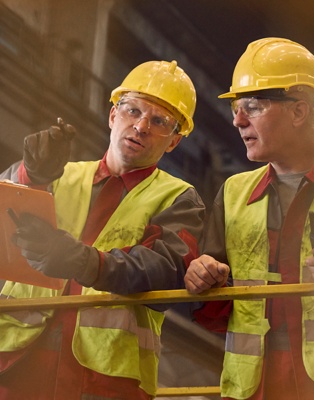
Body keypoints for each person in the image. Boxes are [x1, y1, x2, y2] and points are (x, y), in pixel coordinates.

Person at [184, 37, 314, 400]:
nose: (237, 120)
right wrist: (200, 276)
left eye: (252, 106)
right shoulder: (235, 193)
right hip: (257, 388)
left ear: (299, 112)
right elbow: (215, 306)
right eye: (237, 107)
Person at [0, 60, 205, 400]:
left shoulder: (179, 198)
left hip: (103, 379)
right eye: (133, 110)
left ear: (173, 142)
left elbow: (163, 269)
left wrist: (84, 262)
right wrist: (29, 175)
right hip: (17, 361)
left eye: (159, 122)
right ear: (113, 116)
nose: (140, 126)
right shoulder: (59, 176)